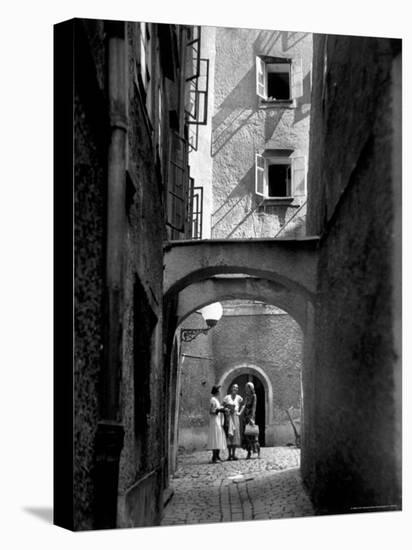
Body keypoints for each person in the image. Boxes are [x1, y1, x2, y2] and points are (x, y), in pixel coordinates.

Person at [223, 384, 243, 460]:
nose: (235, 389)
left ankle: (234, 454)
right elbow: (223, 406)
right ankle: (229, 455)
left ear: (238, 390)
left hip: (235, 416)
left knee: (235, 434)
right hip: (229, 417)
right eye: (234, 387)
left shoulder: (239, 398)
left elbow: (244, 405)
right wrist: (226, 410)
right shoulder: (227, 397)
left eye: (237, 388)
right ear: (231, 388)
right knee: (229, 435)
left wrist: (240, 412)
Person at [207, 385, 227, 463]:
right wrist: (220, 410)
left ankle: (217, 456)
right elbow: (211, 411)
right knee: (215, 437)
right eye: (219, 390)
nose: (220, 392)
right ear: (216, 391)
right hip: (214, 421)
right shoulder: (213, 400)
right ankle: (214, 457)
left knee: (219, 437)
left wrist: (223, 408)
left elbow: (217, 408)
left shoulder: (216, 400)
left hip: (218, 420)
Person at [241, 381, 260, 459]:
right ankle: (249, 452)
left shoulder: (254, 396)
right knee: (247, 436)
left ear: (251, 388)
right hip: (245, 417)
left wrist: (252, 418)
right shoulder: (246, 397)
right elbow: (244, 406)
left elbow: (254, 407)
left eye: (248, 388)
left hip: (251, 417)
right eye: (246, 388)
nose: (246, 389)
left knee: (253, 435)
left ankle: (258, 452)